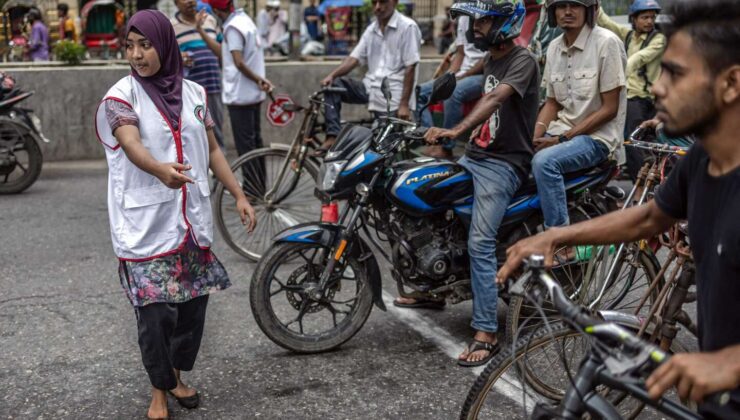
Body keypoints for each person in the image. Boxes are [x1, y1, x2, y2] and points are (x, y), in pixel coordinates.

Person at [498, 0, 740, 416]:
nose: (659, 87)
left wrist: (730, 362)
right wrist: (558, 234)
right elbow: (649, 216)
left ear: (731, 83)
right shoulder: (701, 160)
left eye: (676, 74)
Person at [94, 10, 256, 419]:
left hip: (190, 225)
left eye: (145, 44)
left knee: (190, 313)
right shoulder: (120, 97)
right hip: (146, 227)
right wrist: (158, 169)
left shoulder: (196, 94)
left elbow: (214, 149)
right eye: (129, 46)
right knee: (154, 316)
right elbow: (130, 143)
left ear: (164, 44)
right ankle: (159, 392)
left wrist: (238, 194)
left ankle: (178, 377)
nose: (137, 54)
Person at [396, 0, 539, 368]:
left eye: (483, 22)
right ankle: (434, 289)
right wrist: (432, 89)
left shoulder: (523, 61)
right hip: (476, 156)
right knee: (431, 206)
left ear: (506, 23)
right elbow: (466, 77)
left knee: (479, 241)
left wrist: (456, 130)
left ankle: (487, 331)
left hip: (504, 164)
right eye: (475, 22)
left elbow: (493, 97)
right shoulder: (492, 57)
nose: (476, 29)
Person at [531, 0, 626, 231]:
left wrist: (562, 139)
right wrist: (532, 137)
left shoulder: (607, 43)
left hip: (598, 139)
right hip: (562, 132)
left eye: (575, 5)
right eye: (561, 6)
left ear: (589, 11)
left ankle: (559, 238)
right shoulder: (554, 47)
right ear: (553, 12)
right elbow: (552, 102)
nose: (568, 11)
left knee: (544, 163)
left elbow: (609, 109)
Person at [316, 0, 422, 155]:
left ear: (394, 2)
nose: (378, 7)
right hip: (370, 88)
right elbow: (354, 59)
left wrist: (404, 104)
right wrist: (332, 75)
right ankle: (333, 135)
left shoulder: (407, 27)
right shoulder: (371, 29)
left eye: (383, 2)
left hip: (391, 97)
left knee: (381, 151)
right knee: (333, 86)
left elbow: (411, 66)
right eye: (374, 3)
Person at [598, 0, 666, 181]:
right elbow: (605, 22)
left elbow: (639, 58)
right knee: (637, 141)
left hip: (642, 98)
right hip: (629, 97)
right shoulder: (628, 35)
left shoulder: (658, 39)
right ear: (633, 19)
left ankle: (641, 181)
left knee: (633, 141)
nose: (649, 21)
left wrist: (618, 70)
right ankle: (642, 176)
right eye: (644, 17)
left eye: (652, 17)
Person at [206, 0, 273, 164]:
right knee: (255, 144)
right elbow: (224, 53)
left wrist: (259, 79)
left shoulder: (233, 28)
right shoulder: (245, 20)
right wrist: (201, 30)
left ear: (216, 11)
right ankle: (258, 187)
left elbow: (238, 62)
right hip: (252, 93)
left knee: (246, 147)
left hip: (240, 95)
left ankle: (251, 188)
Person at [416, 13, 487, 158]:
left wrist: (462, 76)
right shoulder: (462, 18)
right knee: (418, 92)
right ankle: (433, 138)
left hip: (483, 74)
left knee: (453, 92)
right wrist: (449, 76)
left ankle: (446, 147)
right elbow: (460, 54)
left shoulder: (487, 15)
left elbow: (487, 59)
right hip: (462, 74)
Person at [171, 0, 225, 149]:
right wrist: (179, 57)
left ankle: (218, 170)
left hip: (213, 85)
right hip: (189, 91)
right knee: (193, 131)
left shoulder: (210, 20)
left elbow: (222, 52)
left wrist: (200, 29)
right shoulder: (171, 27)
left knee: (216, 130)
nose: (189, 1)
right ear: (176, 3)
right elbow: (167, 57)